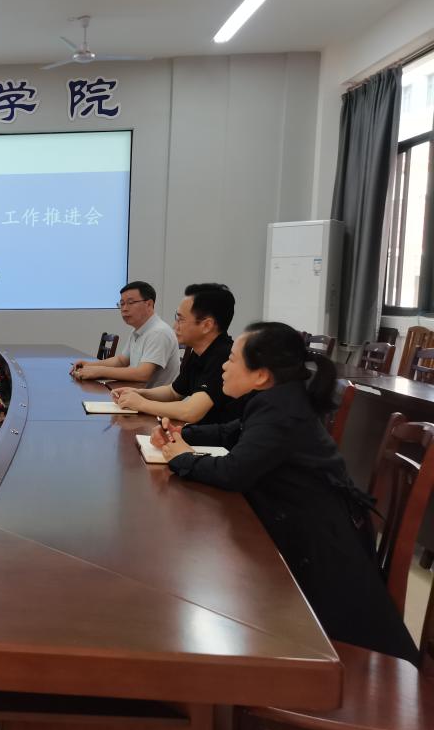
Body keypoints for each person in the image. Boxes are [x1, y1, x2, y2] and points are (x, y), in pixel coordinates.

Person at [152, 322, 419, 664]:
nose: (224, 367)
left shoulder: (281, 412)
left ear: (261, 375)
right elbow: (234, 431)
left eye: (232, 360)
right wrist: (184, 433)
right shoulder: (274, 400)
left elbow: (234, 472)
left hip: (322, 563)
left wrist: (181, 458)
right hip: (305, 531)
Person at [114, 283, 240, 424]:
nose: (175, 326)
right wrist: (139, 393)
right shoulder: (199, 351)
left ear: (206, 325)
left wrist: (141, 403)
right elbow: (173, 392)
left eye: (181, 319)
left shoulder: (224, 357)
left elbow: (190, 412)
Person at [71, 281, 179, 388]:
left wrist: (100, 371)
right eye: (122, 304)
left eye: (130, 303)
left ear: (149, 304)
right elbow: (121, 361)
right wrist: (89, 365)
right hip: (135, 392)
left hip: (151, 398)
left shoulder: (159, 333)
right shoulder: (137, 330)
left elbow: (143, 374)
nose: (124, 309)